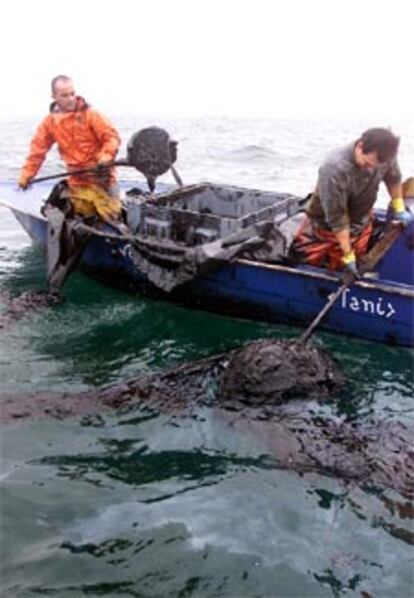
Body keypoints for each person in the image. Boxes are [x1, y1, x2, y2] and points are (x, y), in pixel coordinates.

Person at [290, 128, 413, 277]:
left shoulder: (385, 155)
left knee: (360, 251)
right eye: (367, 164)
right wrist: (348, 255)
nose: (370, 170)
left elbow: (393, 178)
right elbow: (338, 219)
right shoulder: (334, 168)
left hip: (361, 218)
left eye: (376, 167)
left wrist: (399, 207)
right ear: (360, 146)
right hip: (329, 224)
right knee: (333, 263)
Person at [18, 75, 122, 224]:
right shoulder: (50, 123)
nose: (71, 98)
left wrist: (105, 157)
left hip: (103, 180)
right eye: (65, 95)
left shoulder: (92, 115)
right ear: (54, 96)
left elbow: (112, 138)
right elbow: (37, 151)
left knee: (112, 220)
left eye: (72, 93)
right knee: (83, 221)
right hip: (78, 183)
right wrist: (27, 174)